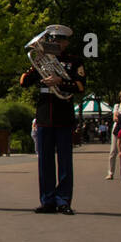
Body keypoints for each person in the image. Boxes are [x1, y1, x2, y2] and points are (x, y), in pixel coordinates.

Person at [21, 25, 85, 213]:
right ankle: (47, 200)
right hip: (44, 115)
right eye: (52, 40)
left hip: (64, 114)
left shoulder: (74, 61)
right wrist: (37, 68)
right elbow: (24, 82)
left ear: (66, 43)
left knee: (65, 161)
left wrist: (60, 81)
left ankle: (63, 200)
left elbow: (80, 86)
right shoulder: (40, 60)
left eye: (59, 40)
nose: (55, 43)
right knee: (45, 161)